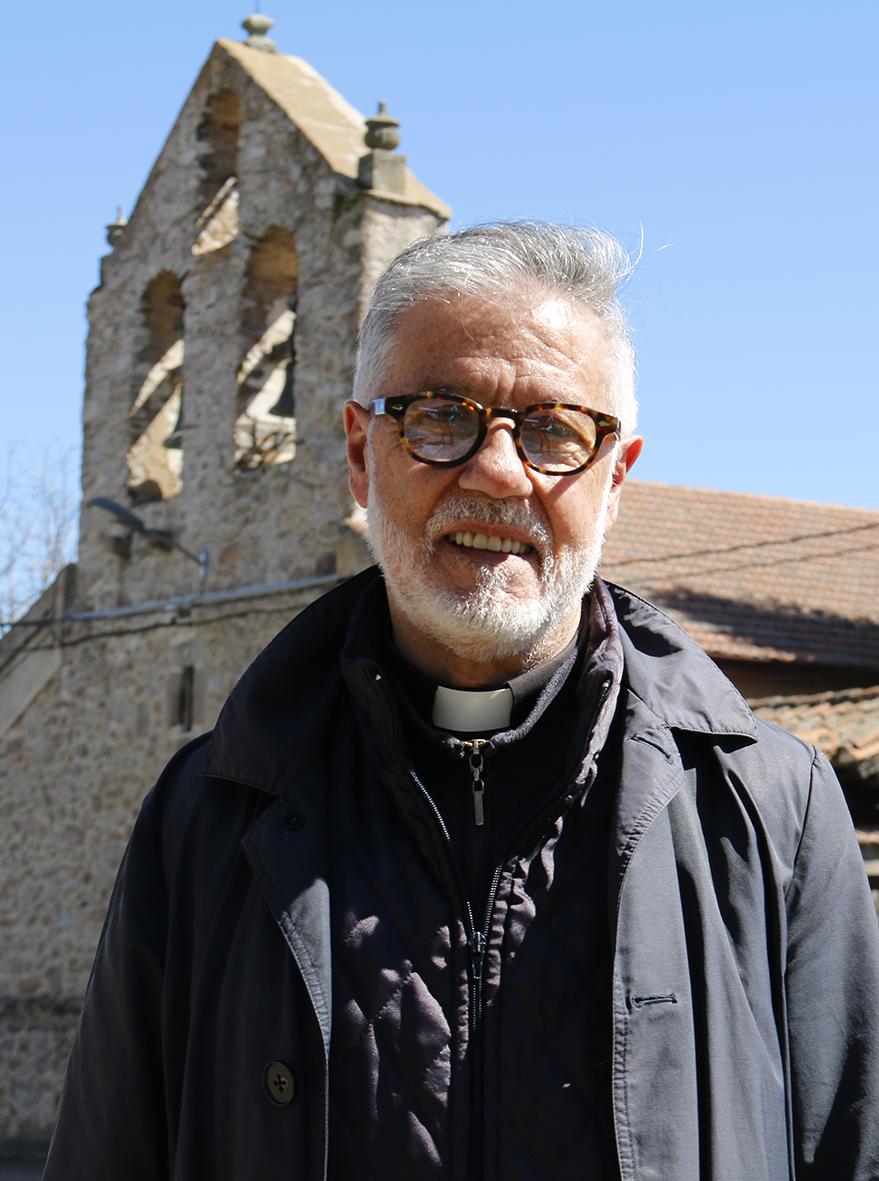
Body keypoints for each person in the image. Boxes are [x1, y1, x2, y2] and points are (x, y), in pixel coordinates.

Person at [45, 222, 879, 1180]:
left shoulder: (770, 808)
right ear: (360, 453)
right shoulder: (206, 816)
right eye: (441, 417)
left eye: (555, 431)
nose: (497, 471)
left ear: (613, 481)